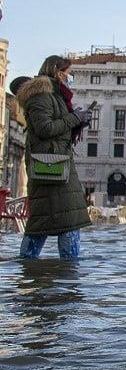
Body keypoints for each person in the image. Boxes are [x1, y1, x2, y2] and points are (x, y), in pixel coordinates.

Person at [16, 57, 93, 259]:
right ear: (58, 72)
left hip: (56, 165)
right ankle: (66, 276)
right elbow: (45, 128)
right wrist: (74, 118)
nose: (70, 79)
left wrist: (78, 121)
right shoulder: (41, 95)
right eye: (70, 74)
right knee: (65, 222)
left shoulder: (54, 96)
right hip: (50, 166)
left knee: (49, 221)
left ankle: (31, 270)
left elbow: (57, 126)